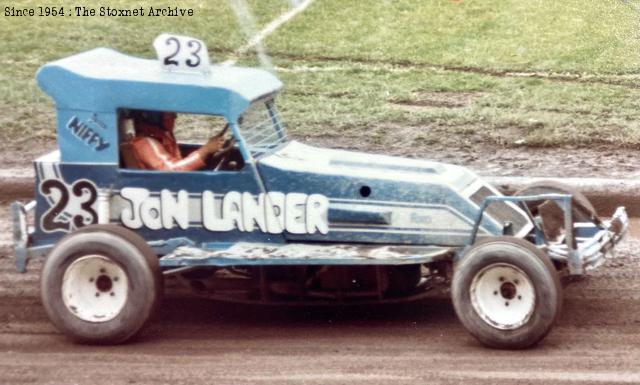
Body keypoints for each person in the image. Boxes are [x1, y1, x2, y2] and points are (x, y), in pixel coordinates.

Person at [125, 110, 225, 171]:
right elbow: (172, 171)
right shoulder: (145, 142)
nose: (175, 116)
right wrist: (205, 150)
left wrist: (207, 151)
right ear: (154, 117)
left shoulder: (164, 138)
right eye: (170, 113)